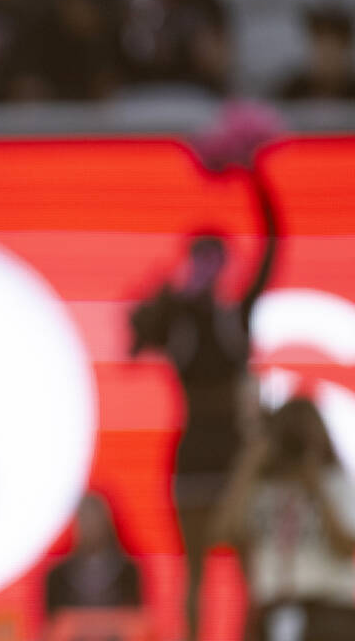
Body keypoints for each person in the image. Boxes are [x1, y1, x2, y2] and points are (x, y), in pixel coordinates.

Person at [129, 156, 279, 641]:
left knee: (251, 572)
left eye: (215, 261)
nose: (209, 271)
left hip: (239, 455)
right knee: (195, 571)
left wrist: (255, 175)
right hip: (196, 452)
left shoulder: (235, 315)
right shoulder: (178, 318)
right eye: (202, 261)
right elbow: (135, 338)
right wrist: (176, 292)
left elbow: (274, 244)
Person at [213, 398, 355, 641]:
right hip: (273, 607)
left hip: (330, 608)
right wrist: (249, 465)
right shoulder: (258, 490)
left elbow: (346, 547)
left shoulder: (337, 483)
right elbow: (224, 534)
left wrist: (317, 491)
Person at [45, 493, 143, 616]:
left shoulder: (128, 572)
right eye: (84, 517)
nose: (90, 525)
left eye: (94, 517)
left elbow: (136, 623)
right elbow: (53, 627)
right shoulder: (57, 576)